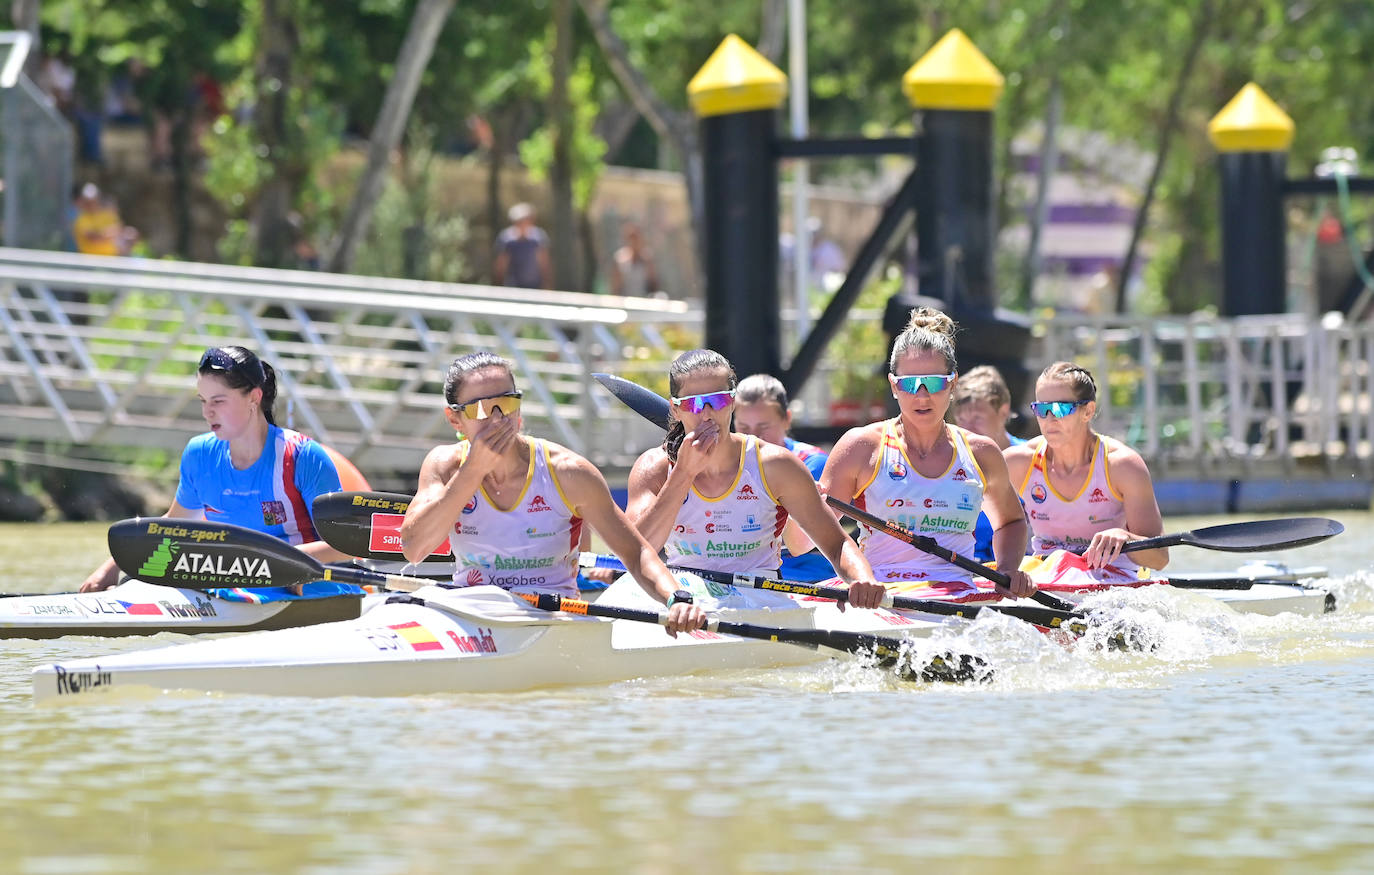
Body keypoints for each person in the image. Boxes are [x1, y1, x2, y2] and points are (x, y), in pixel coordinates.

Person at [400, 352, 705, 635]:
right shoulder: (444, 466)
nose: (497, 418)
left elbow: (636, 553)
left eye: (505, 403)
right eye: (481, 408)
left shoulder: (568, 472)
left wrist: (675, 598)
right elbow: (414, 549)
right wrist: (471, 473)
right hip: (471, 614)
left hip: (549, 617)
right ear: (455, 419)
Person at [626, 350, 885, 609]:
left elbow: (836, 544)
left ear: (732, 402)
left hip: (761, 596)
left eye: (716, 401)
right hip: (684, 596)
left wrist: (861, 578)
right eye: (694, 403)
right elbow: (634, 552)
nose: (706, 413)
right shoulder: (655, 467)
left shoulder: (776, 465)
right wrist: (682, 474)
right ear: (676, 408)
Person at [81, 346, 350, 592]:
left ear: (254, 398)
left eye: (218, 401)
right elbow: (174, 526)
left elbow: (345, 544)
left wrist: (282, 565)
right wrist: (112, 566)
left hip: (308, 588)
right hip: (231, 586)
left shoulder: (302, 456)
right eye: (202, 401)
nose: (207, 412)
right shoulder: (200, 455)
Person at [820, 308, 1036, 601]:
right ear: (894, 386)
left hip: (957, 596)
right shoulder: (861, 447)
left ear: (952, 383)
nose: (922, 395)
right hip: (882, 595)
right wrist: (858, 575)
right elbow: (807, 540)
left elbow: (1010, 522)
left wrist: (1009, 568)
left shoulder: (981, 452)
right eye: (909, 383)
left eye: (933, 382)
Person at [1003, 362, 1169, 581]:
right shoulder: (1017, 462)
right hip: (1048, 577)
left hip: (1112, 580)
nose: (1050, 419)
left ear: (1088, 411)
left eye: (1061, 408)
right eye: (1042, 409)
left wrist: (1125, 537)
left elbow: (1160, 559)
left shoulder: (1122, 466)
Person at [733, 373, 833, 581]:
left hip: (809, 579)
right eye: (743, 428)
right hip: (744, 578)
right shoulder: (723, 465)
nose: (753, 437)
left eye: (763, 427)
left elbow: (797, 543)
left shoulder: (813, 464)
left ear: (787, 419)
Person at [949, 365, 1027, 563]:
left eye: (977, 418)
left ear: (1003, 411)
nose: (967, 428)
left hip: (1020, 569)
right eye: (961, 419)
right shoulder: (945, 462)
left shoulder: (1029, 458)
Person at [492, 203, 552, 290]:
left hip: (535, 286)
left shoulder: (538, 238)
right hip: (512, 286)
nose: (522, 224)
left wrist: (547, 284)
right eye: (519, 222)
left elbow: (544, 263)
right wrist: (498, 286)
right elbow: (501, 265)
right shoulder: (506, 239)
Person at [609, 221, 660, 297]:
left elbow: (654, 285)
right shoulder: (620, 259)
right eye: (631, 238)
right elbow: (615, 288)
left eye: (636, 238)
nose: (634, 242)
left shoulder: (647, 259)